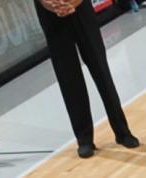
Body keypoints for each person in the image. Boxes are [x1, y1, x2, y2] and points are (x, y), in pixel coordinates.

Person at [34, 0, 132, 157]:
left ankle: (122, 131)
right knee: (67, 74)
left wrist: (73, 2)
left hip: (81, 7)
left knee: (100, 67)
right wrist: (50, 3)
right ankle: (84, 139)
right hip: (49, 12)